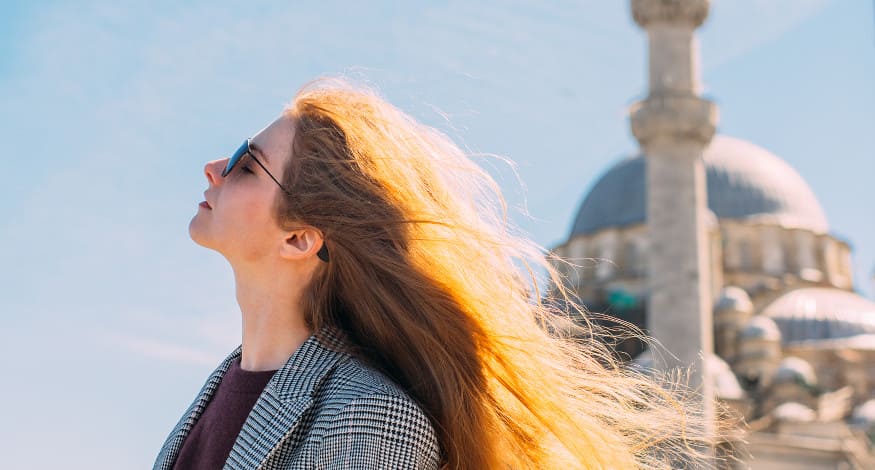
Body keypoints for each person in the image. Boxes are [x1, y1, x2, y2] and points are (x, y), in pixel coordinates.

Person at [153, 78, 717, 470]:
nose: (213, 168)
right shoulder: (222, 390)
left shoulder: (370, 417)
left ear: (300, 237)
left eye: (246, 164)